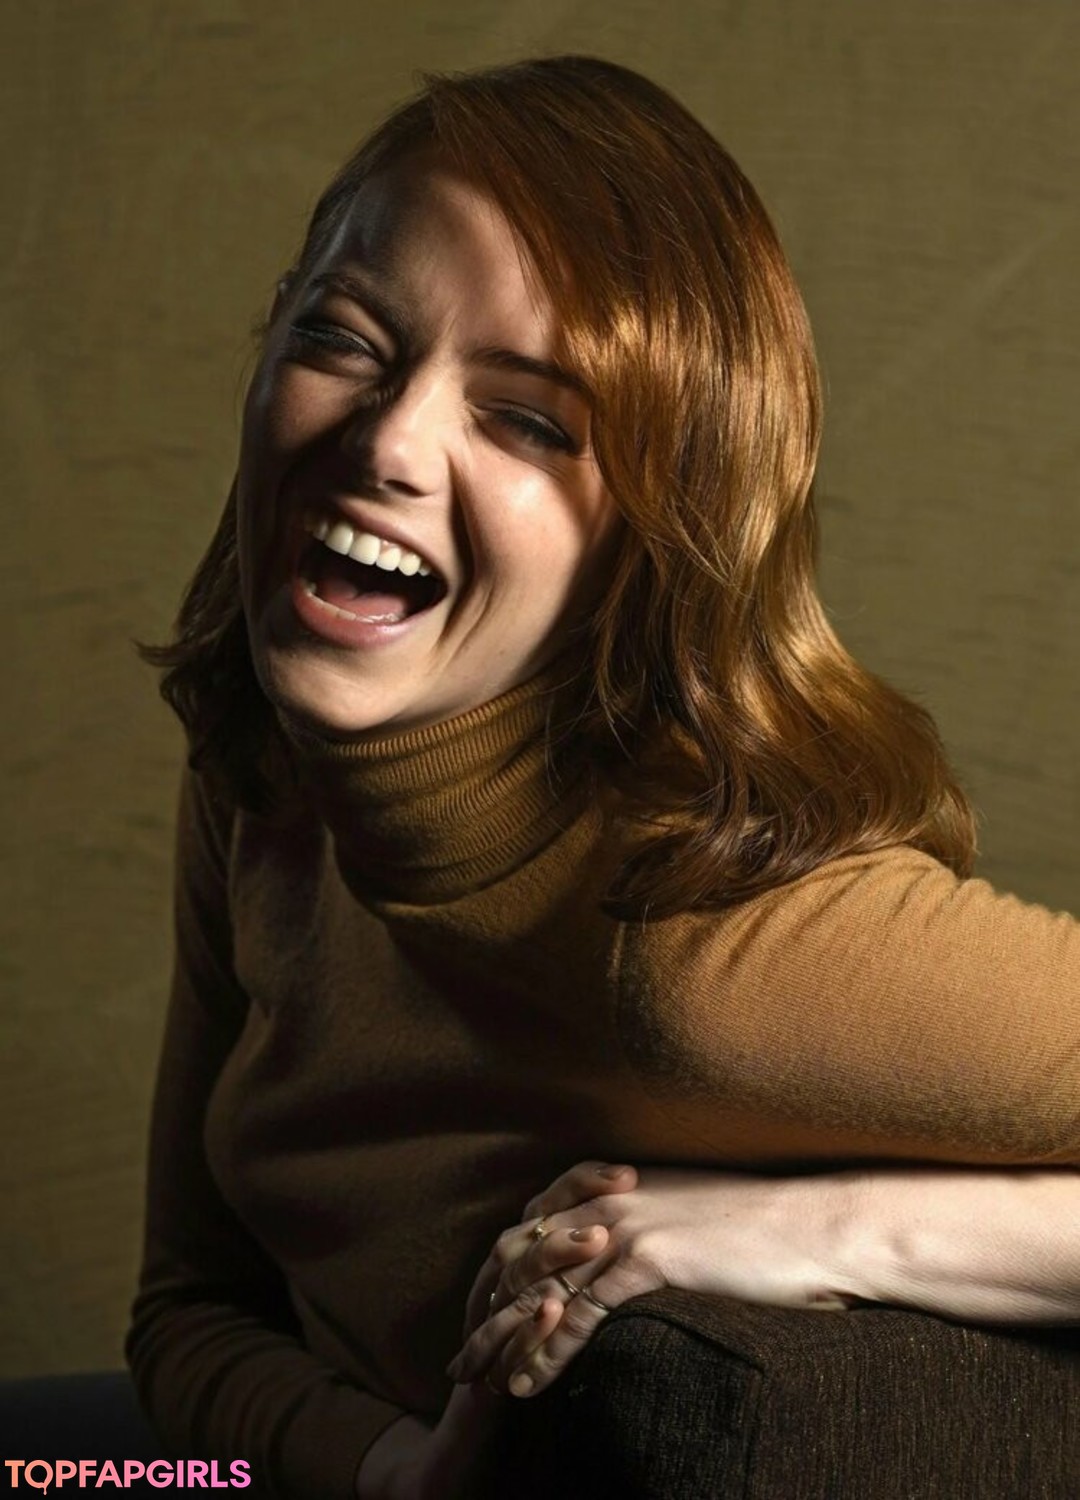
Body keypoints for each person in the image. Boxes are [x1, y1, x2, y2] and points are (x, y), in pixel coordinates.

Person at [127, 54, 1080, 1500]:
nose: (387, 441)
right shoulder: (266, 776)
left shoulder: (708, 943)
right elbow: (187, 1308)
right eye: (342, 336)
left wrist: (845, 1233)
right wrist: (392, 1467)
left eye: (529, 421)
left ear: (648, 535)